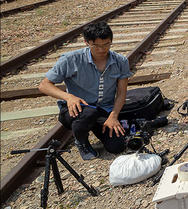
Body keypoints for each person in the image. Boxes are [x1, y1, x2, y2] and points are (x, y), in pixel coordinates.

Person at [38, 22, 131, 160]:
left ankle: (95, 127)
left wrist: (113, 116)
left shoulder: (120, 61)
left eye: (106, 44)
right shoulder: (71, 59)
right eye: (96, 46)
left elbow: (122, 92)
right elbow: (44, 85)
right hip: (76, 109)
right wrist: (68, 97)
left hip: (103, 109)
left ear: (111, 41)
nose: (101, 49)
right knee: (89, 113)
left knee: (116, 146)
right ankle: (81, 141)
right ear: (86, 42)